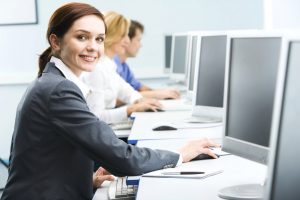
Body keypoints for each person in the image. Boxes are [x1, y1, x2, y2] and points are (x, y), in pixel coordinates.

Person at [0, 3, 219, 200]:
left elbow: (46, 158)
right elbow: (124, 159)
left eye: (99, 39)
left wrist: (86, 180)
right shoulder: (58, 90)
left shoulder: (52, 82)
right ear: (55, 41)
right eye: (82, 37)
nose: (93, 47)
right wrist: (181, 154)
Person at [82, 11, 163, 124]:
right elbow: (96, 117)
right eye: (123, 35)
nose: (127, 41)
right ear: (111, 36)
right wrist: (131, 109)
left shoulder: (108, 65)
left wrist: (140, 100)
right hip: (98, 132)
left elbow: (126, 91)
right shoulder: (96, 68)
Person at [114, 20, 180, 99]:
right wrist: (156, 94)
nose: (140, 45)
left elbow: (139, 87)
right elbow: (114, 99)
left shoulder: (124, 66)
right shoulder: (112, 65)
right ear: (126, 40)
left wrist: (161, 92)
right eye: (138, 40)